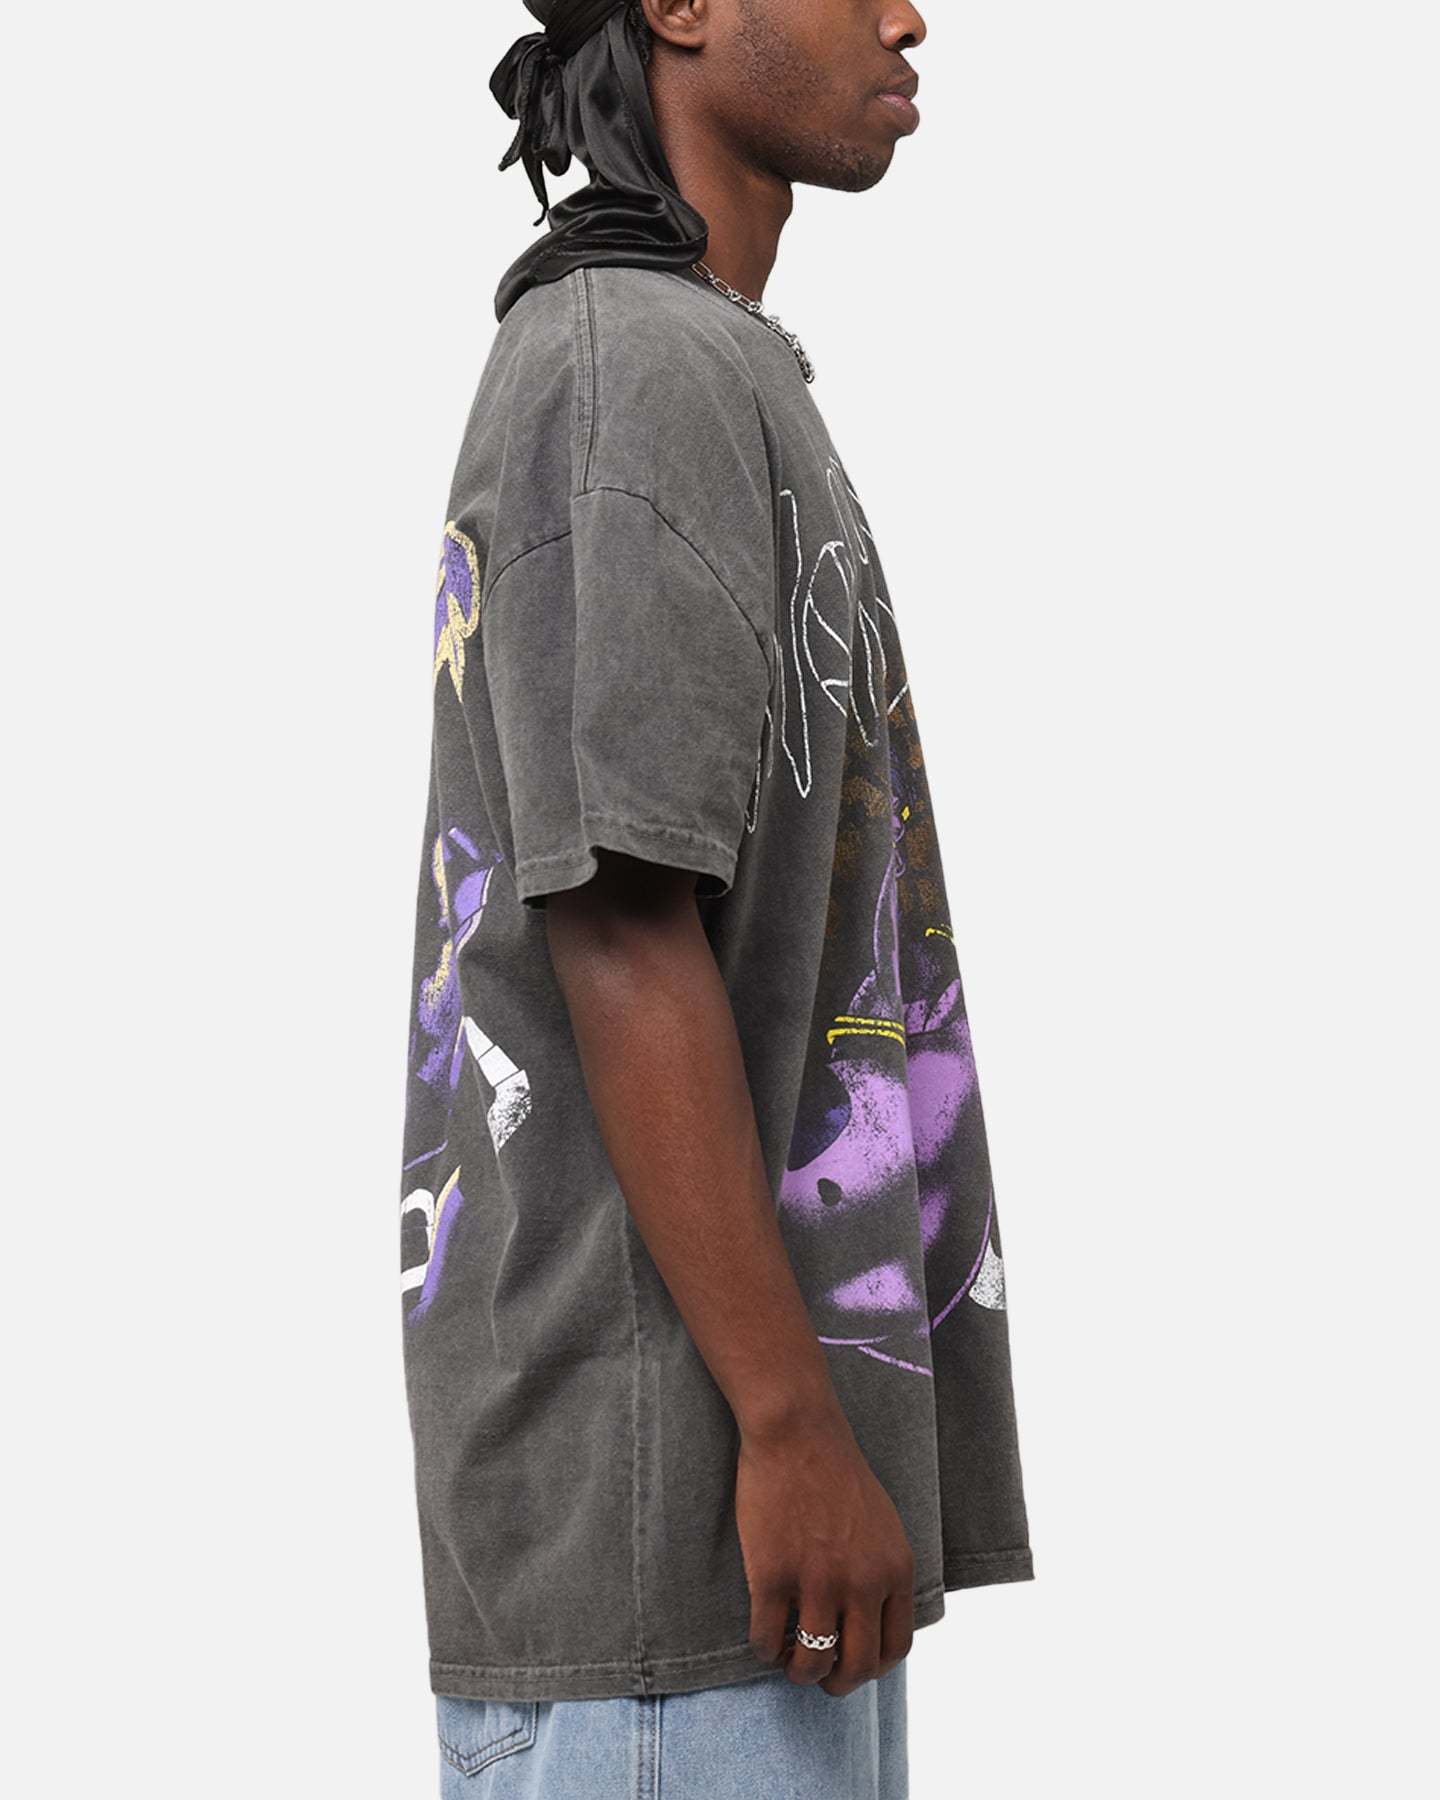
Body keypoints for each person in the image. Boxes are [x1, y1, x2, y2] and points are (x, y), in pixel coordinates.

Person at [398, 3, 1032, 1794]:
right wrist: (786, 1420)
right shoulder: (630, 366)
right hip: (674, 1548)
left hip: (742, 1551)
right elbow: (615, 919)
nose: (907, 15)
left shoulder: (706, 362)